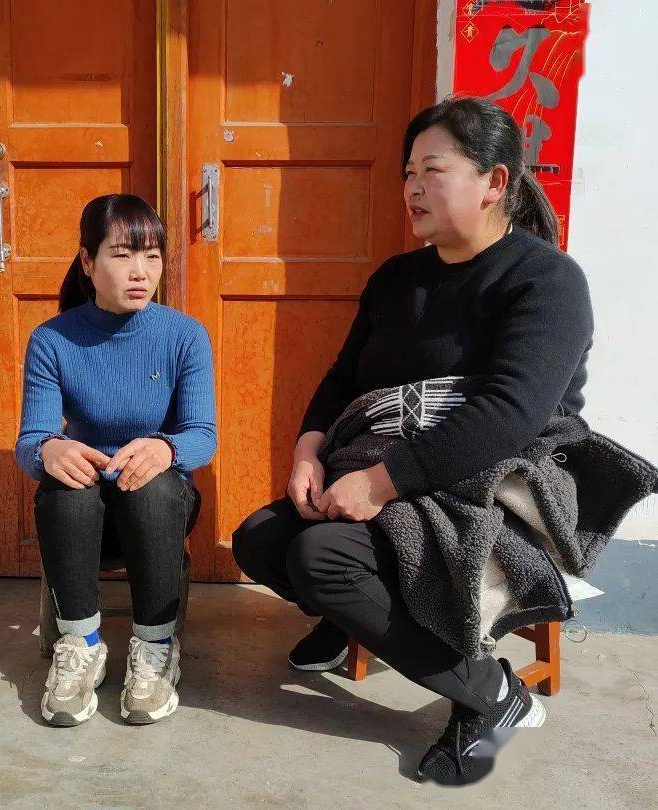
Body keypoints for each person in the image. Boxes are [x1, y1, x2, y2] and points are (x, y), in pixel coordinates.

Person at [232, 96, 594, 785]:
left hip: (492, 489)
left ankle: (491, 694)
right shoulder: (396, 279)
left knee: (324, 560)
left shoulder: (543, 280)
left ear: (494, 183)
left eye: (432, 170)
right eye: (407, 173)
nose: (411, 188)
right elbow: (342, 379)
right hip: (396, 474)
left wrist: (376, 484)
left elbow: (508, 414)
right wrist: (309, 451)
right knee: (259, 540)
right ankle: (358, 622)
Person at [15, 194, 216, 726]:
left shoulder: (185, 336)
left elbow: (203, 434)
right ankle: (80, 646)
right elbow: (30, 439)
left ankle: (153, 648)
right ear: (88, 262)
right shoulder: (52, 340)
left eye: (152, 257)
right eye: (123, 255)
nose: (140, 272)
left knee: (150, 487)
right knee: (66, 491)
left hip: (160, 510)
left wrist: (167, 447)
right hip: (85, 520)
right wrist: (48, 449)